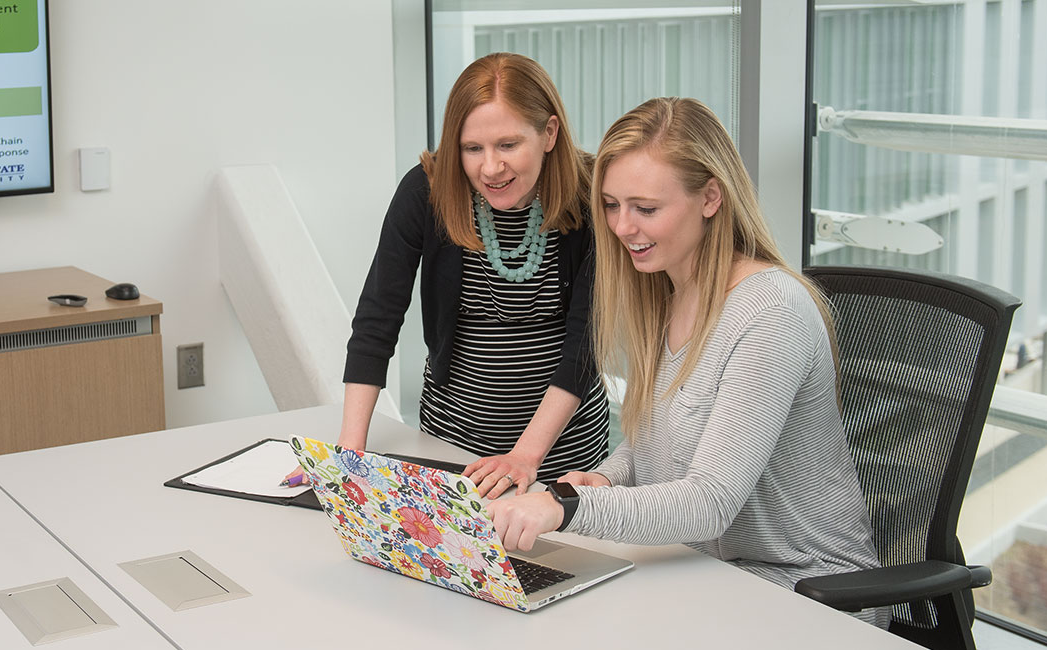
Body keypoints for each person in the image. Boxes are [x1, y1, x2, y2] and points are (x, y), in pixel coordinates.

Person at [487, 97, 888, 627]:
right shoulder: (666, 292)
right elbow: (659, 446)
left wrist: (566, 509)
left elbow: (710, 501)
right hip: (708, 571)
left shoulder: (771, 312)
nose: (622, 227)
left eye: (646, 209)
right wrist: (605, 480)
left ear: (710, 198)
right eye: (610, 205)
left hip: (808, 593)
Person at [290, 52, 613, 498]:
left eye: (508, 145)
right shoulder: (426, 191)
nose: (490, 168)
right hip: (452, 441)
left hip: (562, 452)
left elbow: (586, 344)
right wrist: (350, 452)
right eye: (472, 148)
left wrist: (526, 456)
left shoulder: (593, 197)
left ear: (549, 133)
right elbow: (377, 320)